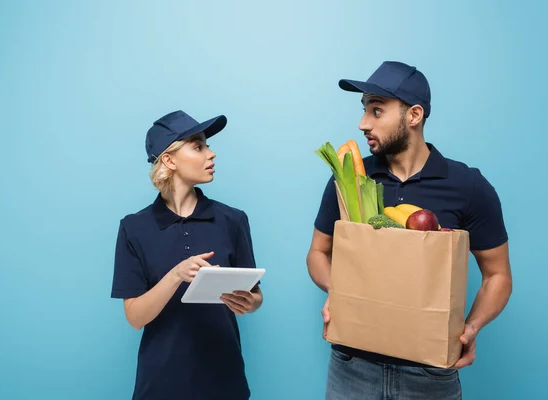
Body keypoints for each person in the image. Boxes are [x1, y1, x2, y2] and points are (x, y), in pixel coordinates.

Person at [306, 61, 512, 399]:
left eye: (376, 111)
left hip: (429, 372)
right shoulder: (351, 179)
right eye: (364, 110)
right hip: (352, 364)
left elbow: (498, 275)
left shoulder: (468, 186)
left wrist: (471, 328)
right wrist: (338, 291)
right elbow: (317, 252)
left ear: (413, 115)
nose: (362, 124)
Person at [111, 110, 263, 400]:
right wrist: (176, 275)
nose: (211, 154)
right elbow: (134, 317)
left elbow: (255, 297)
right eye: (198, 146)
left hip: (225, 382)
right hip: (160, 385)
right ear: (169, 160)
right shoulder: (134, 228)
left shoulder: (233, 220)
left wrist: (249, 302)